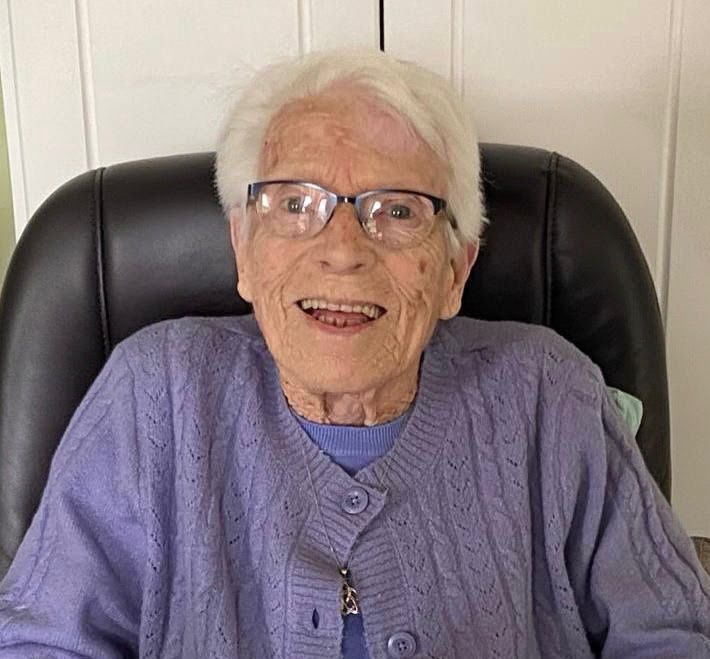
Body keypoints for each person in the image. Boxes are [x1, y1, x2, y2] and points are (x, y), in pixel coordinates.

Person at [0, 48, 708, 659]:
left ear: (456, 270)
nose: (342, 251)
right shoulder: (154, 393)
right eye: (295, 205)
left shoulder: (550, 395)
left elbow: (675, 633)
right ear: (243, 248)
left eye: (397, 211)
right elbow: (41, 641)